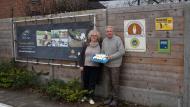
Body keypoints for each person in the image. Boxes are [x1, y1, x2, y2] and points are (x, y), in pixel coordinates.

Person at [101, 26, 125, 107]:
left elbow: (122, 51)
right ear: (105, 32)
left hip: (115, 65)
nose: (109, 32)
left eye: (110, 31)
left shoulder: (117, 39)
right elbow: (102, 51)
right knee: (108, 83)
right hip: (106, 64)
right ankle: (110, 98)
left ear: (113, 31)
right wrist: (101, 57)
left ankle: (115, 100)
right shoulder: (104, 40)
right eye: (107, 31)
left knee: (115, 82)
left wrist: (110, 57)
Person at [79, 30, 101, 105]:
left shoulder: (100, 45)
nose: (94, 37)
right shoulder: (86, 45)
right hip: (85, 66)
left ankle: (91, 97)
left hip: (95, 67)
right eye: (92, 35)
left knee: (92, 83)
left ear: (97, 37)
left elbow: (103, 55)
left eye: (95, 35)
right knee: (85, 82)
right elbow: (81, 55)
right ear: (90, 36)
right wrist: (81, 65)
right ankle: (84, 96)